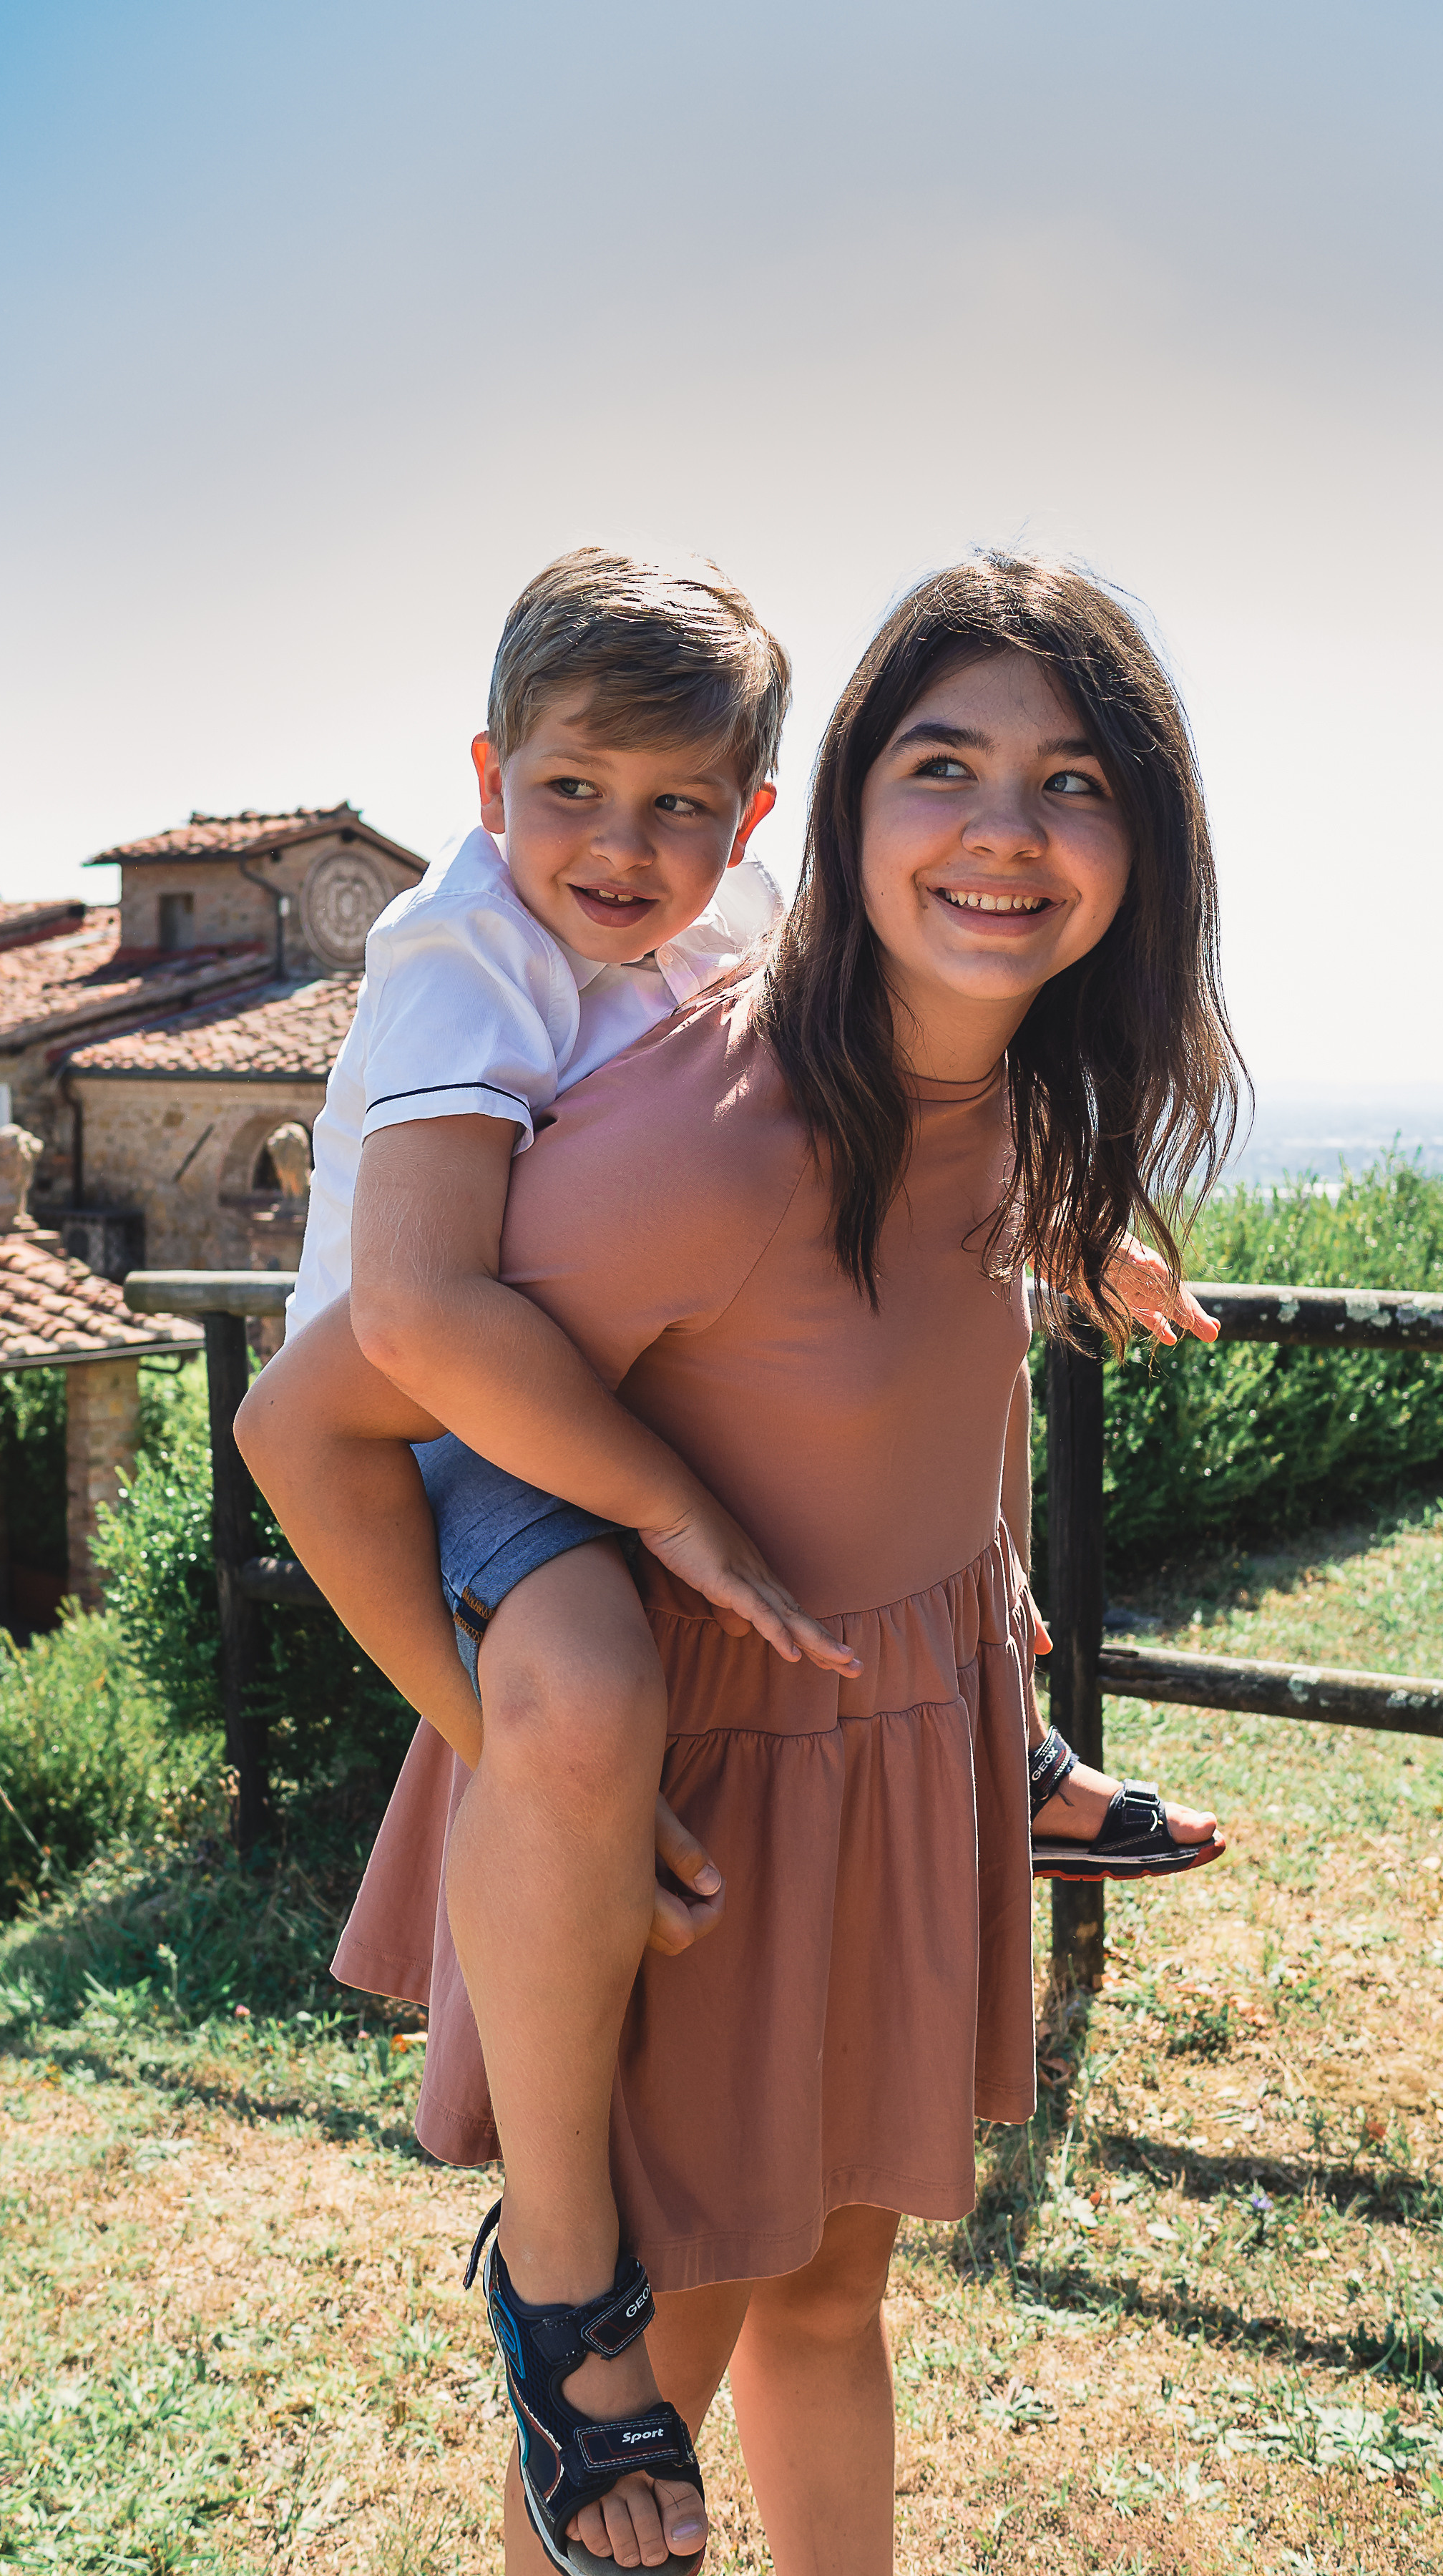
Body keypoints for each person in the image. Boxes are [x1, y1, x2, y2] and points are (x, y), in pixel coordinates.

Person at [241, 550, 1240, 2575]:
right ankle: (558, 2293)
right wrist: (506, 1745)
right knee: (642, 2417)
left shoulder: (1003, 1100)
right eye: (946, 764)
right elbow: (309, 1418)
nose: (1004, 828)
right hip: (716, 1802)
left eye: (1074, 783)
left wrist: (1069, 1227)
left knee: (830, 2300)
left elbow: (904, 1381)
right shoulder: (688, 1127)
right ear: (862, 806)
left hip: (903, 1753)